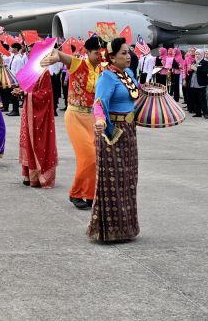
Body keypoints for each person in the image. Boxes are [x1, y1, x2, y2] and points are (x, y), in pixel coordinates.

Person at [42, 35, 104, 209]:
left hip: (92, 117)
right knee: (88, 156)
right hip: (75, 115)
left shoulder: (102, 69)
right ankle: (75, 193)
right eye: (96, 53)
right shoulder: (78, 63)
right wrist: (55, 56)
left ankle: (90, 195)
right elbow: (60, 54)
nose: (99, 56)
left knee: (96, 157)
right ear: (87, 52)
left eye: (101, 53)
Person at [90, 37, 141, 243]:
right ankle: (110, 230)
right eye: (123, 53)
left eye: (129, 52)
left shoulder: (129, 74)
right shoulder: (107, 77)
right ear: (111, 57)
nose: (128, 56)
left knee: (128, 180)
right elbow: (99, 103)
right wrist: (100, 120)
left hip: (129, 132)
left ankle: (127, 228)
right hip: (112, 133)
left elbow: (134, 99)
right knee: (113, 181)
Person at [14, 69, 58, 188]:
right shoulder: (30, 70)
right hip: (28, 109)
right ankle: (27, 174)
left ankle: (38, 176)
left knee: (38, 142)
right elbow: (25, 87)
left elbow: (45, 94)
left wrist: (26, 94)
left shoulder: (44, 73)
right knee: (27, 141)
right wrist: (20, 92)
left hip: (38, 113)